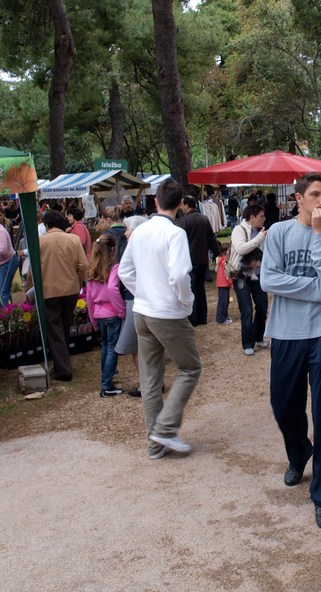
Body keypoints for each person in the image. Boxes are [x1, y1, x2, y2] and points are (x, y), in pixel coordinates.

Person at [260, 172, 321, 529]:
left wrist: (318, 233)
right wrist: (315, 288)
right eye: (314, 194)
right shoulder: (280, 232)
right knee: (283, 405)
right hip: (285, 332)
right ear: (298, 198)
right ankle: (299, 453)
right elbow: (270, 279)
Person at [118, 179, 201, 458]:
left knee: (151, 379)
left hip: (142, 312)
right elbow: (178, 276)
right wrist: (185, 302)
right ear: (180, 204)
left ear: (155, 201)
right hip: (166, 312)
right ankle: (164, 431)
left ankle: (155, 443)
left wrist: (143, 292)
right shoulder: (174, 233)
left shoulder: (140, 231)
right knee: (190, 368)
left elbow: (124, 272)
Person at [34, 210, 88, 382]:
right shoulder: (73, 239)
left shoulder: (39, 242)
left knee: (55, 329)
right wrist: (77, 282)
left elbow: (33, 269)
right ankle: (61, 363)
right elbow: (83, 265)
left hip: (48, 291)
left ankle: (63, 369)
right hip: (71, 290)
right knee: (63, 327)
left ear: (47, 225)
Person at [86, 234, 126, 397]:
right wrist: (121, 310)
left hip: (98, 313)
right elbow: (112, 289)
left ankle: (106, 378)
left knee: (104, 346)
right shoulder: (114, 268)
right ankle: (106, 385)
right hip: (112, 313)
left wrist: (92, 319)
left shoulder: (91, 271)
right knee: (112, 349)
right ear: (113, 250)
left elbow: (88, 297)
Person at [114, 214, 149, 397]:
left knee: (138, 346)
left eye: (127, 229)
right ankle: (148, 382)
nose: (125, 233)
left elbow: (125, 274)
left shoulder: (134, 249)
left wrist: (140, 291)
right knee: (141, 346)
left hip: (134, 299)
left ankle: (147, 384)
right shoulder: (144, 247)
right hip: (137, 298)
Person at [228, 204, 268, 355]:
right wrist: (260, 238)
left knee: (262, 307)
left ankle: (259, 336)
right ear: (252, 217)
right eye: (261, 216)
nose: (264, 219)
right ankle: (248, 344)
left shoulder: (260, 232)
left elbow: (264, 252)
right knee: (246, 310)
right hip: (240, 275)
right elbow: (241, 248)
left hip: (257, 274)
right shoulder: (239, 229)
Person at [176, 196, 221, 327]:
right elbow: (212, 238)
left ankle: (193, 318)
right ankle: (202, 317)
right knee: (200, 289)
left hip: (188, 260)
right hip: (202, 260)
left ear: (186, 205)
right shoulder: (204, 219)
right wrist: (215, 253)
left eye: (182, 204)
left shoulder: (183, 221)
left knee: (192, 289)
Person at [215, 242, 233, 324]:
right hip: (224, 283)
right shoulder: (225, 261)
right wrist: (231, 283)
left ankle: (223, 316)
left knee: (223, 300)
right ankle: (221, 318)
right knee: (224, 301)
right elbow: (227, 274)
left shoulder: (220, 260)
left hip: (221, 283)